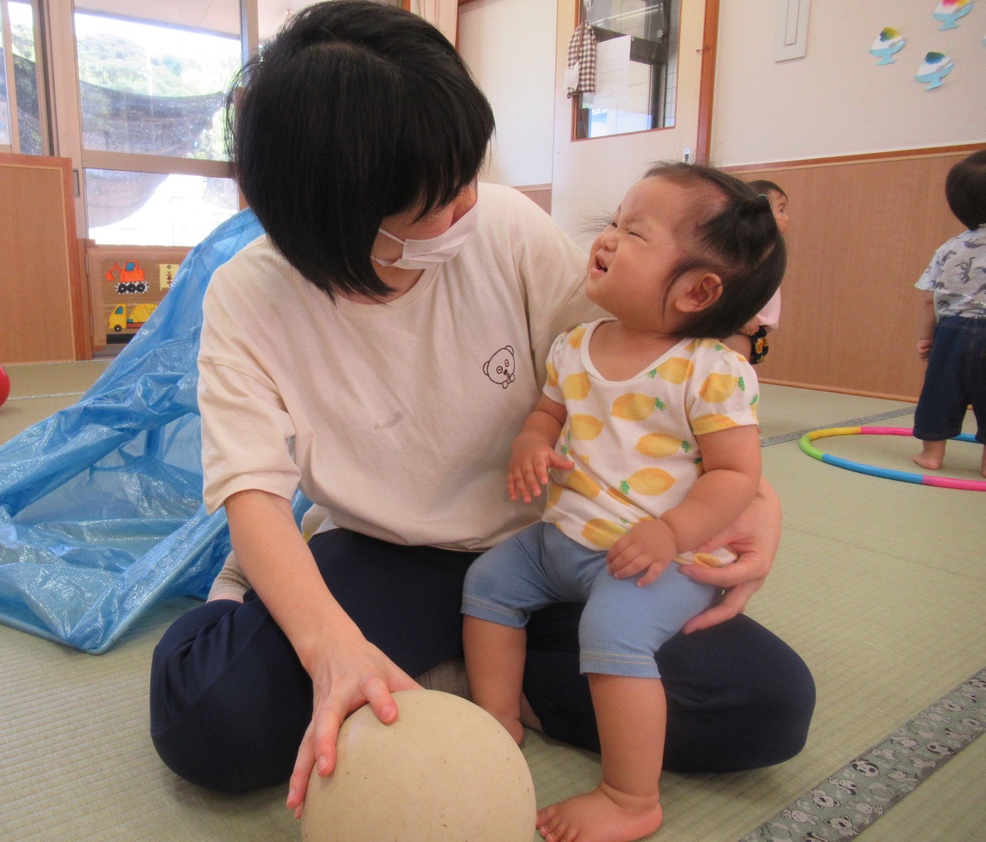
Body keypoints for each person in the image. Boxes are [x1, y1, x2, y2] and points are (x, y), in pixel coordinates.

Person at [147, 0, 816, 821]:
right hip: (389, 552)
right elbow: (250, 486)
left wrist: (758, 500)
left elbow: (643, 370)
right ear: (335, 221)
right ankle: (309, 626)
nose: (470, 202)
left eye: (470, 172)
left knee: (769, 703)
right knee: (212, 720)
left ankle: (465, 673)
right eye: (439, 200)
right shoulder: (250, 295)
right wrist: (331, 647)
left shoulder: (503, 226)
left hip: (554, 545)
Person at [462, 163, 785, 842]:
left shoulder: (710, 370)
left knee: (611, 635)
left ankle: (630, 797)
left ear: (698, 291)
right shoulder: (575, 344)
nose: (606, 239)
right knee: (488, 582)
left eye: (633, 232)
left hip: (653, 559)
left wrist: (672, 533)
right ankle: (496, 717)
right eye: (613, 222)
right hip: (563, 539)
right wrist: (531, 442)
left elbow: (734, 474)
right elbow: (548, 416)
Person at [911, 149, 986, 476]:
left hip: (952, 332)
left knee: (940, 392)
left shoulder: (949, 248)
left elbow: (931, 299)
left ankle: (931, 455)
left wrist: (928, 337)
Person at [728, 179, 789, 364]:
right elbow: (735, 285)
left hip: (754, 327)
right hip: (738, 326)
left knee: (743, 370)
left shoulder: (771, 250)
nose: (787, 217)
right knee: (733, 368)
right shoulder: (749, 251)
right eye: (780, 210)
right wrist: (744, 316)